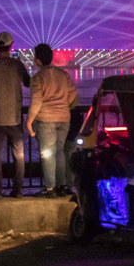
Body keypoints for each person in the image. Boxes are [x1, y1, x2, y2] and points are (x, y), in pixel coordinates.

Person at [0, 31, 30, 199]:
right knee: (19, 156)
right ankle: (18, 190)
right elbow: (28, 82)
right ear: (12, 46)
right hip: (15, 118)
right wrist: (20, 62)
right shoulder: (17, 66)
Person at [26, 43, 78, 198]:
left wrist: (29, 121)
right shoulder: (63, 74)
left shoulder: (37, 78)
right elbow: (73, 93)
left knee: (48, 153)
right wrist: (63, 105)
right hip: (64, 118)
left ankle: (50, 188)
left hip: (46, 119)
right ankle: (61, 186)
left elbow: (36, 101)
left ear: (38, 60)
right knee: (60, 152)